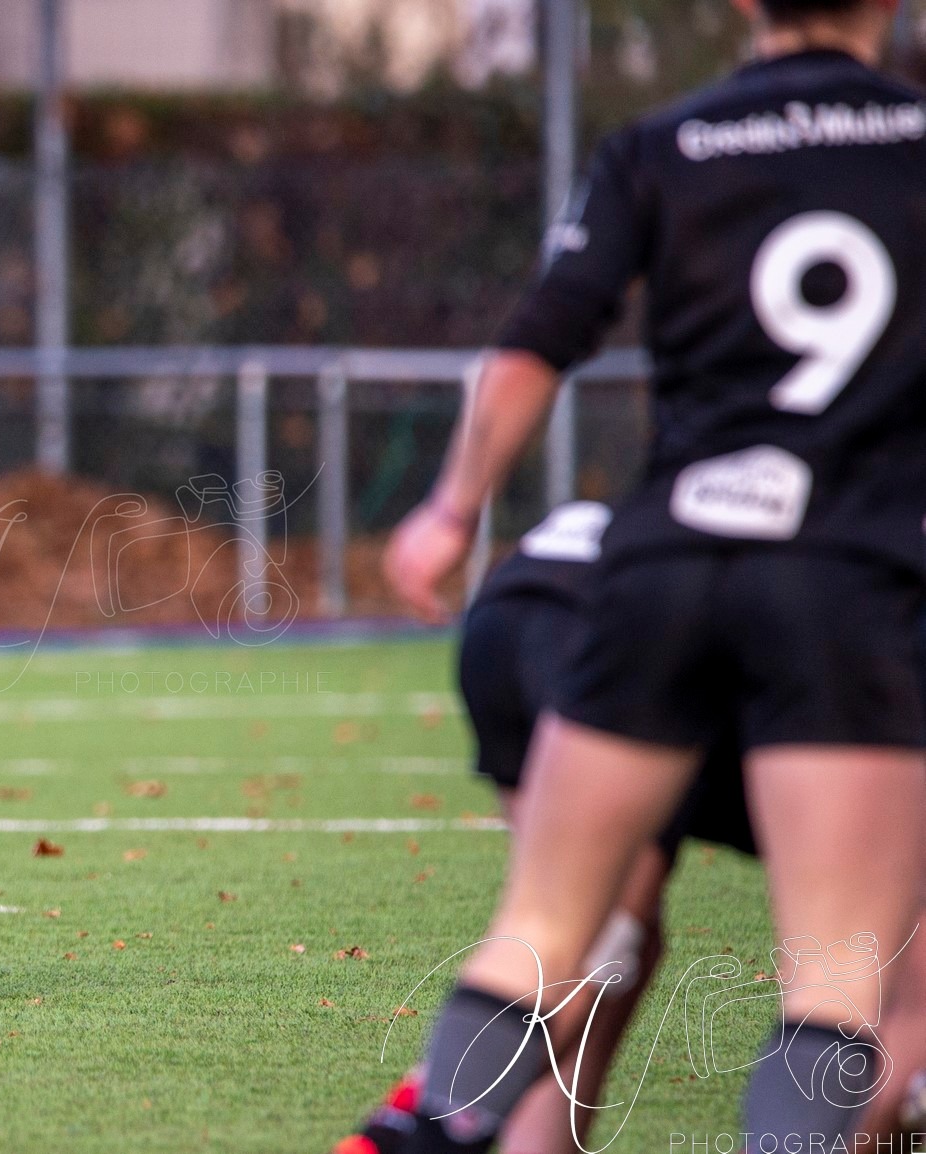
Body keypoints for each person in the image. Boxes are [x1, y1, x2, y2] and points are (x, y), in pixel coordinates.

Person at [359, 0, 926, 1147]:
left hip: (659, 565)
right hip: (842, 581)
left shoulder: (664, 143)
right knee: (834, 981)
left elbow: (538, 336)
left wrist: (450, 509)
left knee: (543, 928)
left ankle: (432, 1125)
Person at [345, 504, 754, 1154]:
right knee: (857, 962)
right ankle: (414, 1132)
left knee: (609, 937)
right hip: (633, 616)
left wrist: (456, 506)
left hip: (519, 597)